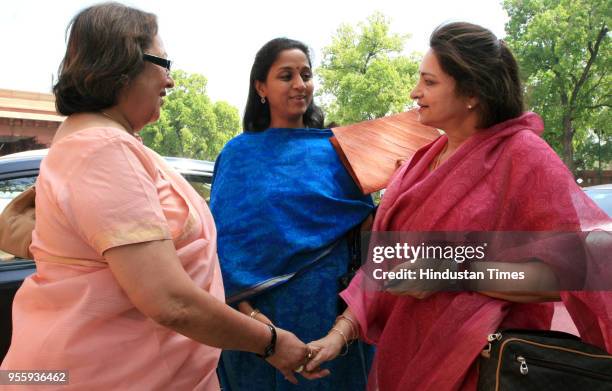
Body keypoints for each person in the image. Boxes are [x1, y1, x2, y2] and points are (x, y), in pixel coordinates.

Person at [0, 4, 326, 389]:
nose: (170, 81)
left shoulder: (337, 149)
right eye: (163, 63)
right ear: (123, 63)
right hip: (109, 371)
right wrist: (267, 339)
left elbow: (372, 228)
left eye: (306, 75)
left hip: (315, 318)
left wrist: (362, 311)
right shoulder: (104, 148)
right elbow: (172, 300)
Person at [305, 22, 611, 390]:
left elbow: (565, 275)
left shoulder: (524, 157)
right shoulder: (421, 162)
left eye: (429, 82)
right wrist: (339, 334)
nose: (415, 92)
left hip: (482, 366)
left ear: (472, 92)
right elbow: (383, 265)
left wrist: (452, 273)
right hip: (405, 358)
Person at [210, 38, 375, 390]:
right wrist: (258, 327)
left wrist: (343, 327)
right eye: (286, 76)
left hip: (332, 318)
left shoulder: (340, 149)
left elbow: (369, 239)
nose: (300, 85)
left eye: (306, 74)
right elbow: (221, 253)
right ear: (261, 87)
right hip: (258, 320)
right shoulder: (238, 155)